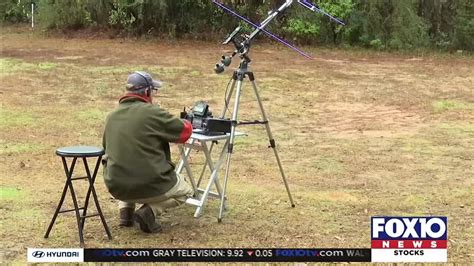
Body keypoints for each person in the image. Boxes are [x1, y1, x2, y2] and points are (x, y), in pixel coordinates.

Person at [102, 71, 194, 233]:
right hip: (150, 184)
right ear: (146, 92)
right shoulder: (153, 113)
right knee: (185, 192)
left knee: (126, 163)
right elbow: (184, 132)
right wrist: (188, 120)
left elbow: (107, 149)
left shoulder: (111, 116)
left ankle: (126, 211)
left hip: (116, 185)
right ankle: (150, 211)